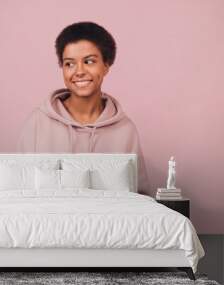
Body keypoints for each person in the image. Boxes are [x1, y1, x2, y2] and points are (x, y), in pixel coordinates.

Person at [17, 21, 150, 193]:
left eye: (89, 61)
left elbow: (139, 196)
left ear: (106, 65)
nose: (79, 71)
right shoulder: (37, 123)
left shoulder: (125, 130)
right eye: (69, 64)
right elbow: (19, 189)